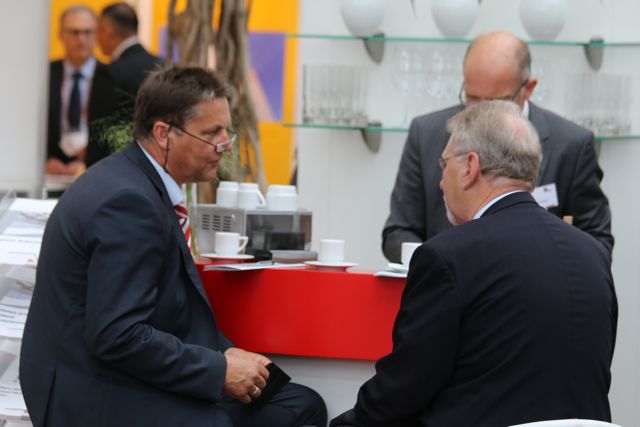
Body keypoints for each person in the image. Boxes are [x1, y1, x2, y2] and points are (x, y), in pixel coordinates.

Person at [20, 67, 327, 427]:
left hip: (112, 372)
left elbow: (157, 310)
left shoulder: (136, 181)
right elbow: (116, 336)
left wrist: (225, 354)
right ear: (163, 134)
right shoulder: (128, 201)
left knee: (299, 405)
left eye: (226, 130)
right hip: (89, 391)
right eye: (211, 133)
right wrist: (219, 369)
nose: (226, 144)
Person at [331, 100, 617, 427]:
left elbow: (402, 390)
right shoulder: (592, 254)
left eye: (444, 164)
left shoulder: (448, 256)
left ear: (470, 166)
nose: (441, 182)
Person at [382, 31, 613, 263]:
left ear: (528, 89)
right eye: (472, 98)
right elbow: (398, 231)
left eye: (495, 102)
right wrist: (440, 266)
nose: (481, 111)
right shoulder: (427, 134)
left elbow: (597, 243)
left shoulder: (571, 145)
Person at [85, 1, 163, 167]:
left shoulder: (109, 73)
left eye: (98, 31)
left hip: (117, 167)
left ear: (108, 29)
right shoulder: (162, 65)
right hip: (158, 164)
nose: (97, 39)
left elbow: (99, 134)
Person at [46, 5, 111, 176]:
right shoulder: (45, 75)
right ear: (61, 34)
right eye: (74, 32)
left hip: (95, 172)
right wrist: (44, 159)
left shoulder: (111, 77)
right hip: (51, 173)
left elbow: (116, 131)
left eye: (87, 32)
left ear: (96, 35)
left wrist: (88, 161)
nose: (81, 39)